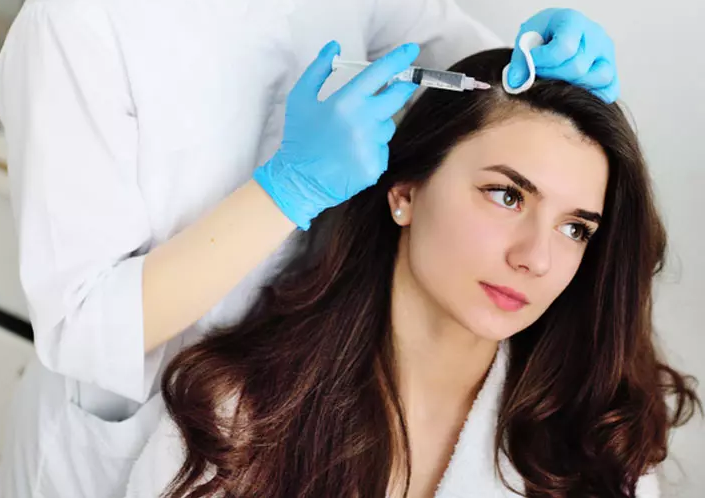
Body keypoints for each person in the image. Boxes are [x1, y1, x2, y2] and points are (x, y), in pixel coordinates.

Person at [0, 0, 620, 497]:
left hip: (280, 422)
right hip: (124, 451)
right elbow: (84, 332)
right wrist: (288, 189)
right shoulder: (82, 19)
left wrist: (544, 58)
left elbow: (478, 69)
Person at [125, 49, 699, 498]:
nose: (536, 257)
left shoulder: (596, 446)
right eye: (506, 195)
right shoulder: (243, 416)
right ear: (405, 191)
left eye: (575, 229)